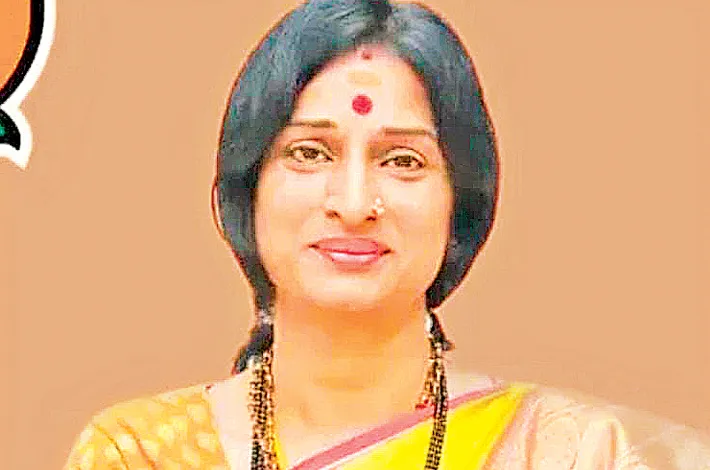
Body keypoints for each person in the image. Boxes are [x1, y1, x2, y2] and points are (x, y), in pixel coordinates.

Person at [64, 0, 710, 468]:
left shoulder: (577, 455)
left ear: (461, 204)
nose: (353, 204)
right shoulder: (147, 453)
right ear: (248, 187)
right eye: (309, 153)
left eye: (403, 161)